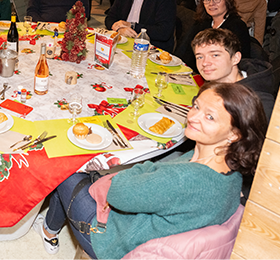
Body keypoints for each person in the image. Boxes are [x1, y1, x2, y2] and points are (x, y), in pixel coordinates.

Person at [34, 81, 266, 258]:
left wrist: (137, 172)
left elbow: (119, 192)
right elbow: (156, 176)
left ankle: (49, 230)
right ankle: (51, 228)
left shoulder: (184, 180)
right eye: (196, 106)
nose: (193, 117)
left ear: (235, 134)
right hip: (147, 229)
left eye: (210, 117)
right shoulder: (229, 169)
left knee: (66, 168)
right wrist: (146, 173)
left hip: (111, 240)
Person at [192, 28, 275, 119]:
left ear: (236, 58)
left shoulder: (259, 103)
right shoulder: (214, 84)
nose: (204, 63)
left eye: (215, 55)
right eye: (200, 57)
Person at [175, 0, 251, 71]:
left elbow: (238, 62)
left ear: (227, 1)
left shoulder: (237, 26)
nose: (211, 3)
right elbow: (184, 48)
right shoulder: (202, 22)